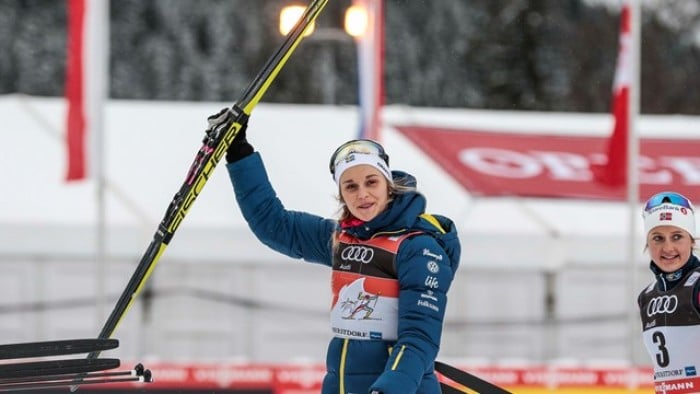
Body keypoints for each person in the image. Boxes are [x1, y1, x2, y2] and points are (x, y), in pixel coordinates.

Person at [218, 110, 460, 394]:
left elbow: (419, 336)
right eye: (351, 186)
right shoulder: (341, 239)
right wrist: (238, 152)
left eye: (371, 182)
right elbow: (274, 224)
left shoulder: (418, 247)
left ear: (388, 184)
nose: (362, 194)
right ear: (341, 194)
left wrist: (390, 388)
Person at [638, 191, 700, 392]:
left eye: (677, 237)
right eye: (658, 238)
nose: (668, 247)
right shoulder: (647, 296)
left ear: (692, 240)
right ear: (648, 243)